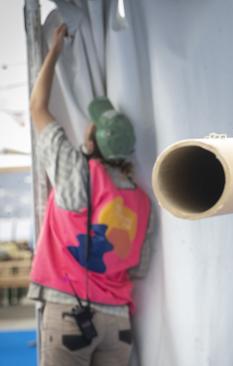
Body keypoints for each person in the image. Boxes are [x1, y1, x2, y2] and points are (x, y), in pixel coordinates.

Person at [28, 24, 153, 366]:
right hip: (118, 324)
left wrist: (53, 52)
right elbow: (138, 267)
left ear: (91, 140)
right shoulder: (142, 201)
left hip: (70, 311)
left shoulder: (74, 169)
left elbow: (38, 108)